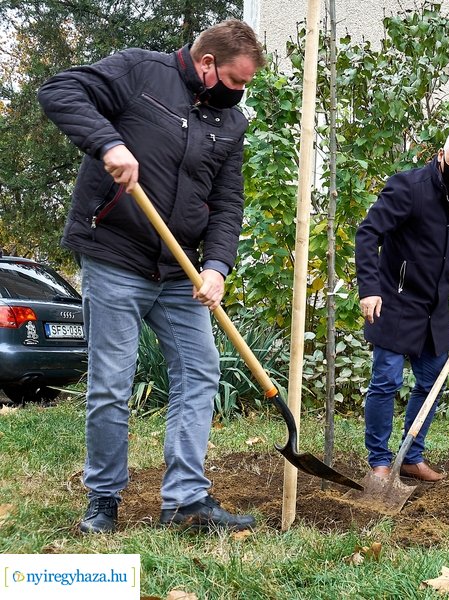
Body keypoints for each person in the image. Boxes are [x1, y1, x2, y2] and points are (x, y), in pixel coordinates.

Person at [38, 20, 266, 533]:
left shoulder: (231, 124)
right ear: (207, 64)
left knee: (200, 372)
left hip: (180, 270)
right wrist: (107, 144)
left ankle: (185, 501)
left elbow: (228, 203)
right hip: (116, 255)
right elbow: (59, 89)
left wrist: (217, 266)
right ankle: (103, 500)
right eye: (236, 81)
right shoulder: (140, 71)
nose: (241, 93)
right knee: (111, 384)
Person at [355, 130, 449, 482]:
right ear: (441, 156)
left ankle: (411, 457)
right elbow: (369, 233)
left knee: (432, 382)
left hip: (435, 308)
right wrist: (369, 289)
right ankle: (380, 462)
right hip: (395, 300)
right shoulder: (408, 187)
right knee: (385, 381)